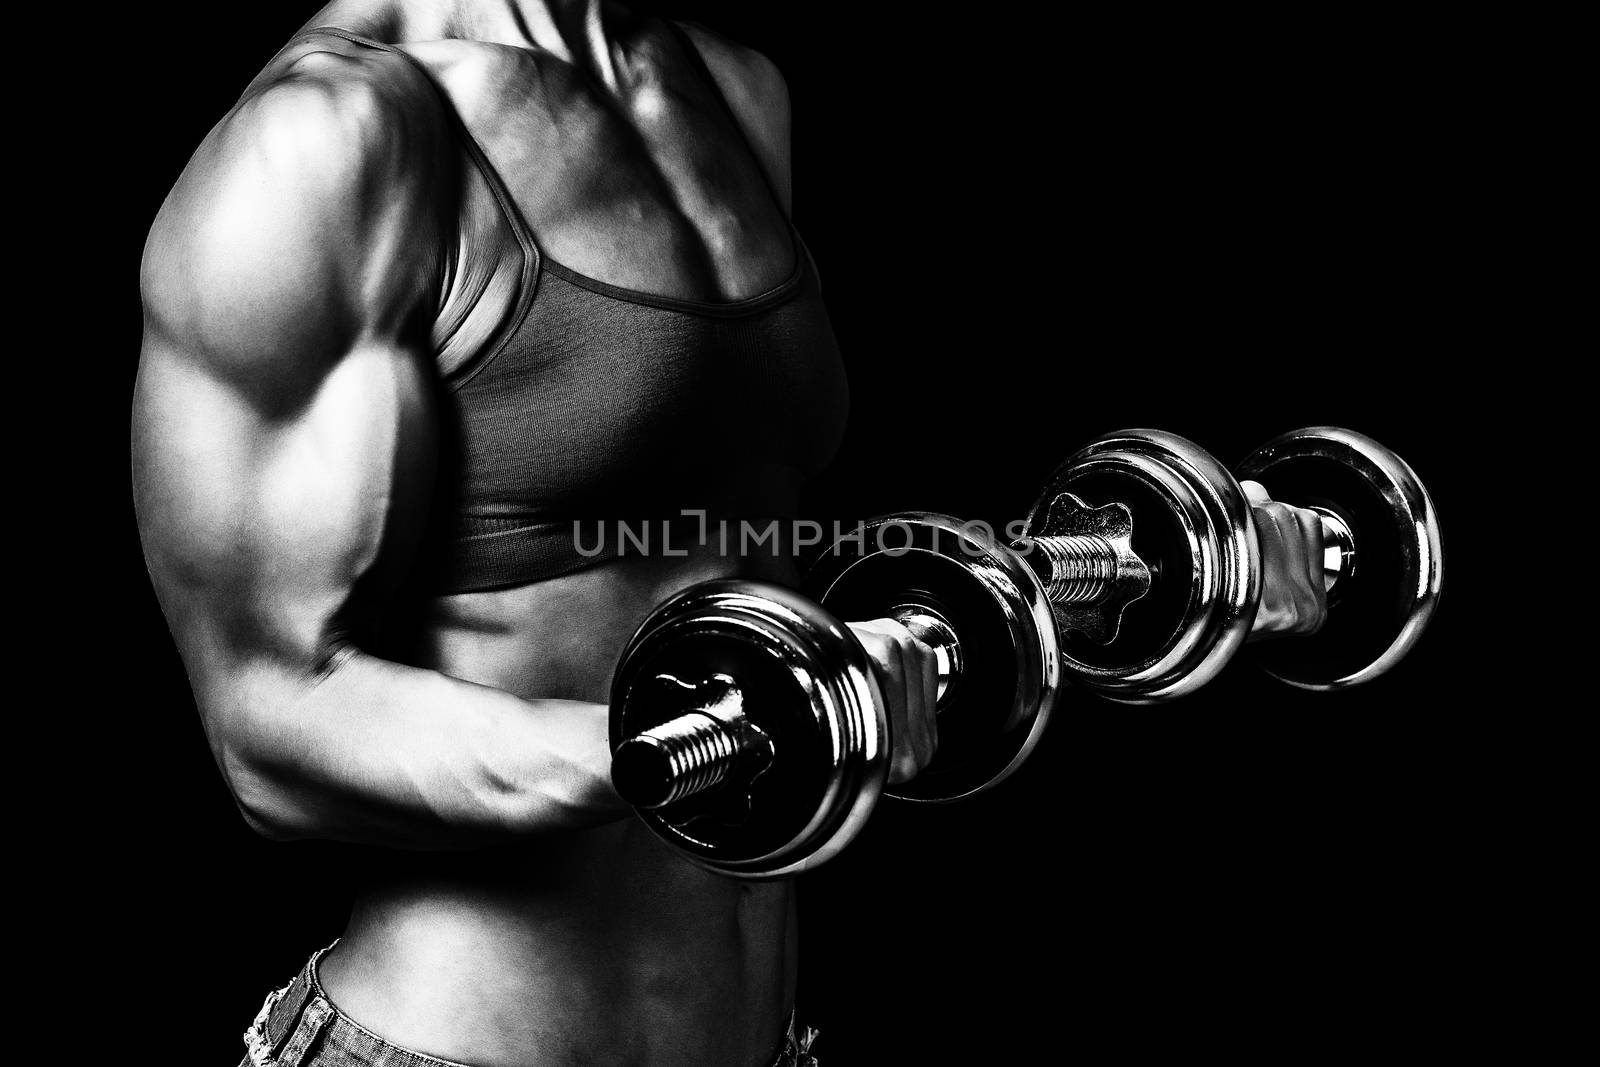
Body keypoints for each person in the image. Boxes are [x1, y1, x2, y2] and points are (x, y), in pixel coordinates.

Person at [132, 3, 1329, 1064]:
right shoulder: (333, 140)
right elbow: (269, 728)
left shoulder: (733, 87)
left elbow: (722, 560)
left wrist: (1137, 567)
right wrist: (721, 731)